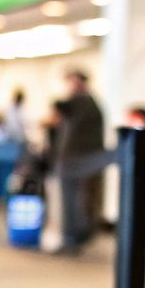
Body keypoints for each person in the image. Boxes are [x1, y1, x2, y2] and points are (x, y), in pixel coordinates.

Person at [48, 69, 104, 255]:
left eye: (72, 81)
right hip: (74, 160)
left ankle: (73, 238)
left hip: (77, 161)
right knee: (73, 201)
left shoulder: (83, 102)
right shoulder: (87, 103)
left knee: (74, 201)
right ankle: (71, 238)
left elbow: (59, 105)